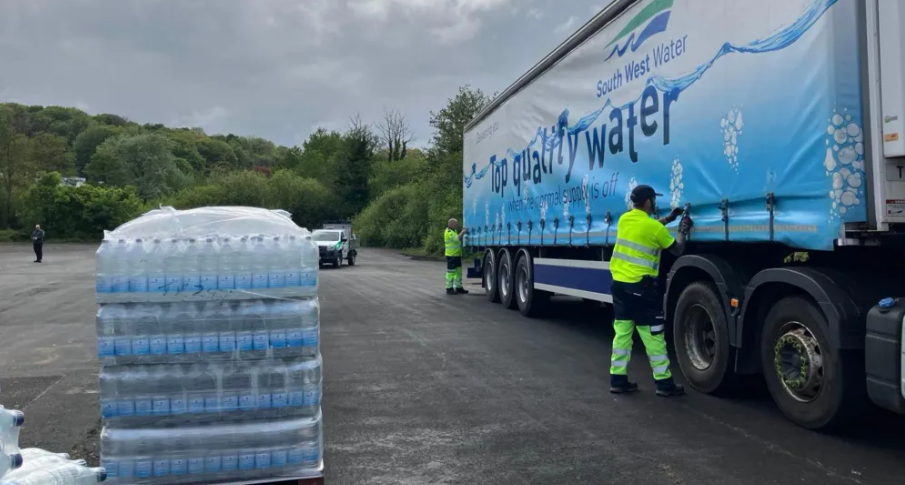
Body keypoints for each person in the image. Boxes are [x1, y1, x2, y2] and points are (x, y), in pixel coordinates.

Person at [608, 185, 693, 397]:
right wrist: (682, 230)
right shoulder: (653, 228)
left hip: (619, 286)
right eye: (653, 200)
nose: (654, 203)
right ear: (648, 202)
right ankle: (664, 384)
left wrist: (669, 218)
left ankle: (618, 380)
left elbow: (647, 228)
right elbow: (677, 249)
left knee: (622, 335)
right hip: (641, 289)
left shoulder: (624, 220)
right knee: (653, 336)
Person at [444, 218, 468, 295]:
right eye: (455, 224)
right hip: (452, 255)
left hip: (456, 255)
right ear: (451, 224)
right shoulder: (449, 232)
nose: (456, 225)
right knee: (451, 272)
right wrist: (463, 232)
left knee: (458, 272)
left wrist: (461, 232)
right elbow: (457, 239)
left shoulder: (454, 231)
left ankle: (458, 287)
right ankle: (449, 288)